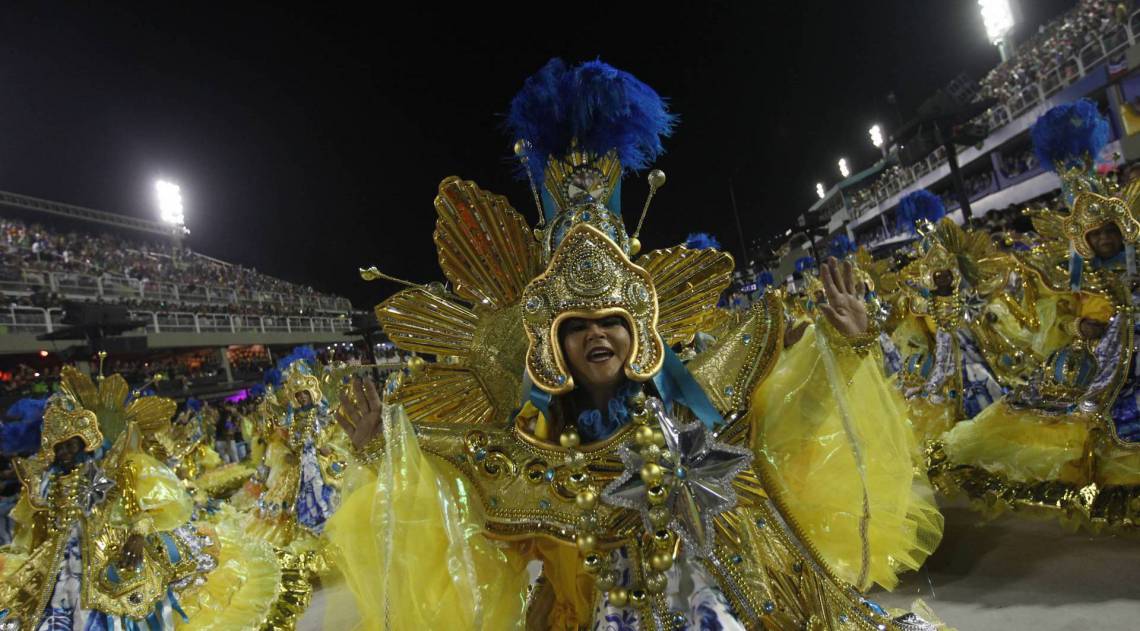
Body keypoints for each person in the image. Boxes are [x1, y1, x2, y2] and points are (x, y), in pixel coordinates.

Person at [325, 58, 941, 630]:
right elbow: (453, 517)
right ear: (554, 345)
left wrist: (844, 346)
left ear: (637, 328)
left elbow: (790, 436)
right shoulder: (527, 454)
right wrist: (386, 453)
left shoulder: (695, 409)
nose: (596, 333)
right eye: (577, 325)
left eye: (609, 320)